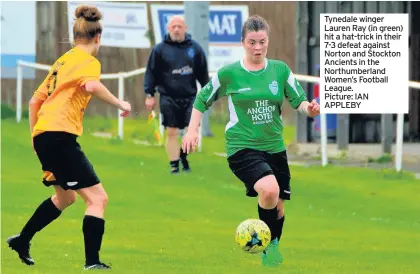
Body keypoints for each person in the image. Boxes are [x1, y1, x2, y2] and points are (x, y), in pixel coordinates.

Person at [182, 15, 320, 267]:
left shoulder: (280, 70)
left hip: (275, 147)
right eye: (252, 42)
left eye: (262, 42)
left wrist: (309, 109)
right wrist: (192, 130)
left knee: (278, 206)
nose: (257, 48)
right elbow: (202, 99)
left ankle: (272, 248)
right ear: (242, 42)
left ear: (268, 41)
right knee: (269, 189)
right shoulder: (229, 73)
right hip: (241, 146)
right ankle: (263, 243)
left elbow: (299, 101)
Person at [6, 5, 131, 270]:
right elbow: (91, 85)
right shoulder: (88, 62)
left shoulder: (62, 61)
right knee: (98, 199)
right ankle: (92, 263)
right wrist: (121, 104)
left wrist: (34, 136)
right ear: (98, 37)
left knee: (66, 198)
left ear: (76, 36)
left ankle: (22, 240)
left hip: (44, 135)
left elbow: (33, 101)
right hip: (59, 137)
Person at [144, 15, 210, 174]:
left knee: (191, 132)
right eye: (173, 26)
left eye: (179, 26)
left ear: (185, 28)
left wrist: (208, 93)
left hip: (190, 97)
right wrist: (149, 94)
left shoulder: (194, 48)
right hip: (168, 97)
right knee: (171, 132)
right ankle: (174, 165)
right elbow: (151, 73)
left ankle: (183, 156)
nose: (176, 29)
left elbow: (203, 73)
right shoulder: (160, 49)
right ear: (168, 29)